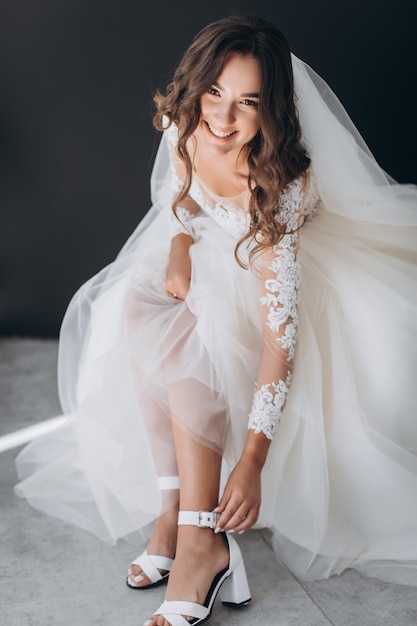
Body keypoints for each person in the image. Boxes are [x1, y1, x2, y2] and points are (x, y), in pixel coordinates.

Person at [14, 14, 417, 626]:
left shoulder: (274, 186)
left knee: (196, 328)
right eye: (215, 93)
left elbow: (282, 346)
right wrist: (179, 248)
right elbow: (180, 205)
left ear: (271, 110)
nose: (224, 118)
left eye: (248, 102)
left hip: (284, 280)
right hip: (216, 252)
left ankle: (203, 540)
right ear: (196, 87)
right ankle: (174, 512)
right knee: (139, 305)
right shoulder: (186, 128)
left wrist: (252, 460)